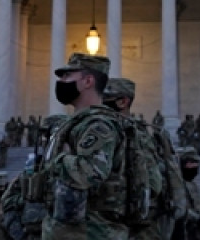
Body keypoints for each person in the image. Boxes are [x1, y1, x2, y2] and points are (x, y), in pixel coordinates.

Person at [40, 53, 130, 240]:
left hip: (92, 233)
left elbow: (89, 172)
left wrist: (60, 158)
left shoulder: (98, 125)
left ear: (88, 81)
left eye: (67, 76)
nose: (61, 81)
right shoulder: (77, 123)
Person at [104, 78, 188, 240]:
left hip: (138, 222)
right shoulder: (136, 132)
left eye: (105, 101)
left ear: (123, 102)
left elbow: (154, 184)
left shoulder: (136, 135)